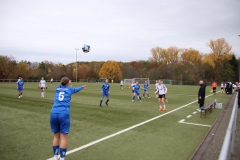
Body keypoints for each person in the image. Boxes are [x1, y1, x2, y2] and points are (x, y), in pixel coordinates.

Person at [50, 77, 86, 160]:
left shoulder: (57, 88)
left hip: (54, 112)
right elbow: (76, 90)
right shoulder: (69, 89)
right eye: (69, 81)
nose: (70, 81)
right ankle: (62, 158)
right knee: (63, 138)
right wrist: (82, 87)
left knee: (56, 137)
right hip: (63, 113)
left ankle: (55, 156)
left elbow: (63, 86)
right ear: (67, 83)